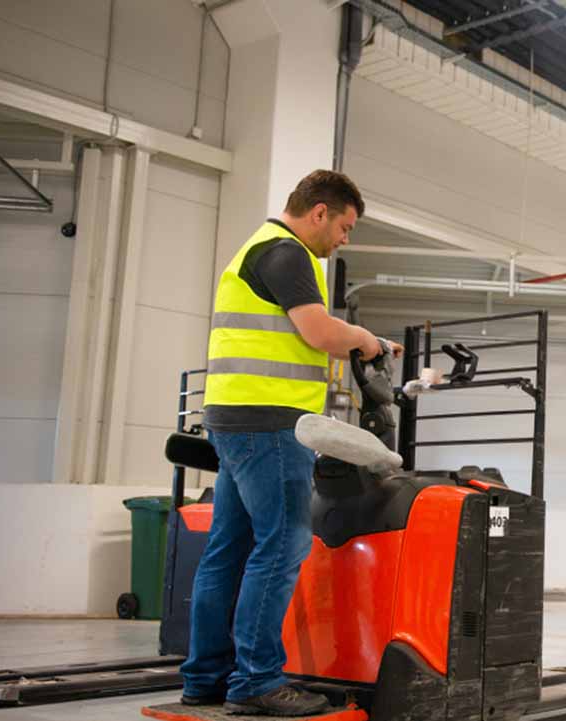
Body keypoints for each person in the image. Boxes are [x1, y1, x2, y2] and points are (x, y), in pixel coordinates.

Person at [181, 170, 402, 716]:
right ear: (320, 212)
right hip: (270, 423)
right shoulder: (286, 253)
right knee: (282, 546)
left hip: (234, 417)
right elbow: (320, 334)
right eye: (345, 227)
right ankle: (256, 681)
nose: (344, 240)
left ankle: (206, 677)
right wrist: (368, 340)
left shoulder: (256, 249)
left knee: (228, 550)